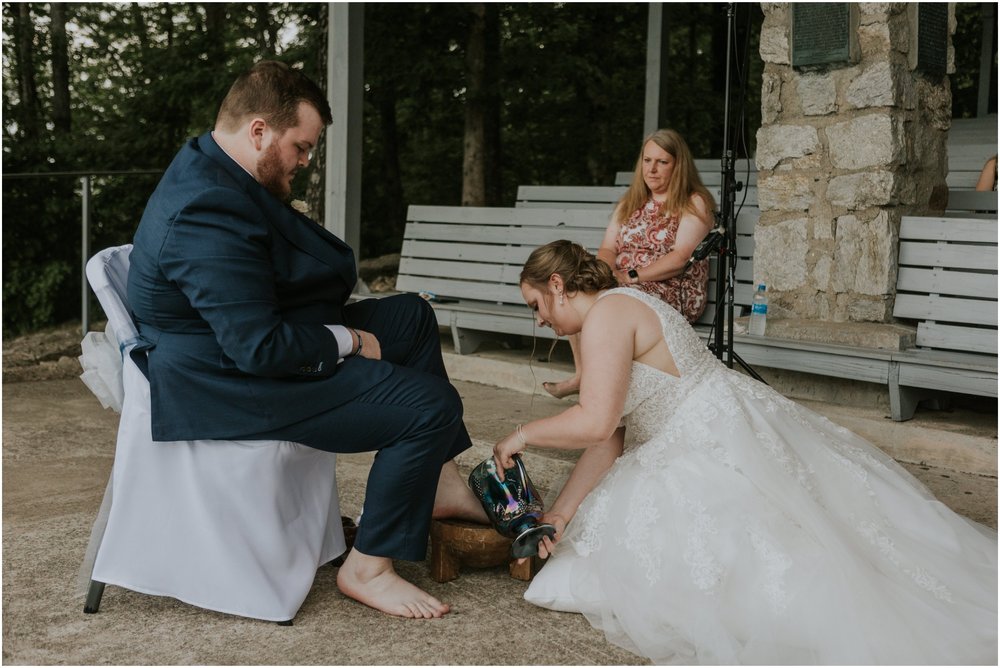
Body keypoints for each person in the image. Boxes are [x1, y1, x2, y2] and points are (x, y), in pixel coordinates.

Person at [495, 240, 998, 664]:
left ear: (557, 286)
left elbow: (597, 421)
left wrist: (522, 435)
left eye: (535, 306)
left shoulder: (607, 314)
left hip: (699, 437)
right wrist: (561, 512)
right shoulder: (622, 304)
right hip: (724, 416)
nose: (538, 321)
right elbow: (611, 435)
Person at [126, 60, 486, 619]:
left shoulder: (218, 166)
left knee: (411, 317)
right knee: (427, 406)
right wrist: (344, 339)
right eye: (301, 146)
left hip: (239, 347)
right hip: (228, 379)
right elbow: (258, 348)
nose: (306, 161)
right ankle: (368, 567)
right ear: (259, 131)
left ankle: (438, 482)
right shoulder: (204, 207)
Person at [543, 129, 716, 399]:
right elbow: (608, 247)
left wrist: (630, 276)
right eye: (647, 161)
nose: (652, 169)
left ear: (678, 165)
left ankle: (600, 386)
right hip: (626, 282)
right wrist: (601, 272)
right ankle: (583, 375)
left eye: (662, 162)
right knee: (579, 291)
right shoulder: (631, 202)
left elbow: (680, 258)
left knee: (606, 302)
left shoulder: (693, 202)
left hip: (672, 288)